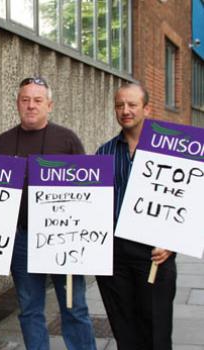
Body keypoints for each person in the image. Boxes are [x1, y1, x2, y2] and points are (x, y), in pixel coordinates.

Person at [0, 76, 96, 350]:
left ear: (49, 105)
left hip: (63, 239)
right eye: (25, 100)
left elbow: (87, 193)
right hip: (22, 240)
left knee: (74, 308)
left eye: (37, 100)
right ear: (17, 103)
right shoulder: (2, 143)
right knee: (29, 309)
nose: (30, 105)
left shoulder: (67, 140)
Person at [96, 83, 175, 350]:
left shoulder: (169, 152)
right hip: (113, 256)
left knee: (156, 332)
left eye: (132, 105)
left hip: (154, 253)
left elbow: (189, 201)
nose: (125, 111)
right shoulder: (104, 153)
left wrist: (173, 243)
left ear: (147, 109)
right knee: (124, 331)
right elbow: (93, 206)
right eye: (120, 105)